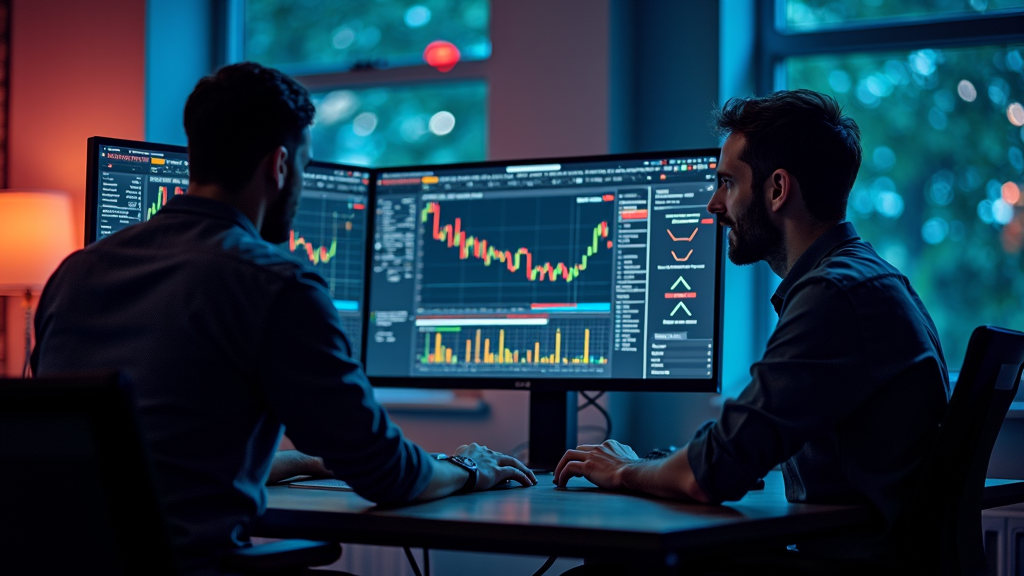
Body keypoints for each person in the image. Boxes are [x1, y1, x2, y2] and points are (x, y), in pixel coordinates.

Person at [31, 62, 536, 574]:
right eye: (306, 166)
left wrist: (314, 459)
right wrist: (472, 468)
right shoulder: (275, 283)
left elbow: (159, 463)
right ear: (279, 164)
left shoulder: (75, 272)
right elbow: (390, 476)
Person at [553, 90, 949, 566]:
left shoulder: (835, 295)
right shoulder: (868, 278)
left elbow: (710, 473)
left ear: (777, 189)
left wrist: (627, 470)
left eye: (727, 183)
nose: (713, 204)